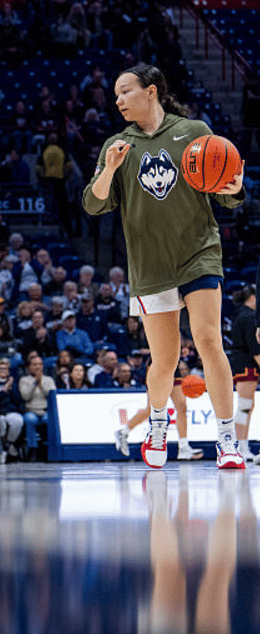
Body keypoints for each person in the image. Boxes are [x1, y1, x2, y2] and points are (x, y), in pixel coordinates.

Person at [84, 64, 247, 469]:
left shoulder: (194, 132)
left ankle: (228, 441)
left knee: (209, 340)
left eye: (125, 91)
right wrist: (110, 169)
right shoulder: (118, 144)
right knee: (165, 362)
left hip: (198, 252)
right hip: (149, 265)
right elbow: (93, 203)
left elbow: (227, 196)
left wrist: (236, 186)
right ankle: (158, 424)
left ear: (151, 91)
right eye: (116, 95)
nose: (117, 99)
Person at [114, 363, 204, 461]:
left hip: (174, 367)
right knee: (150, 409)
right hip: (157, 364)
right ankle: (123, 432)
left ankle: (184, 447)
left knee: (182, 407)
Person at [229, 286, 260, 461]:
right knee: (245, 406)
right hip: (246, 364)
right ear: (253, 297)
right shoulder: (249, 317)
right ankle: (241, 447)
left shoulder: (239, 314)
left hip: (241, 363)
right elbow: (254, 347)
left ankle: (241, 446)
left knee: (246, 406)